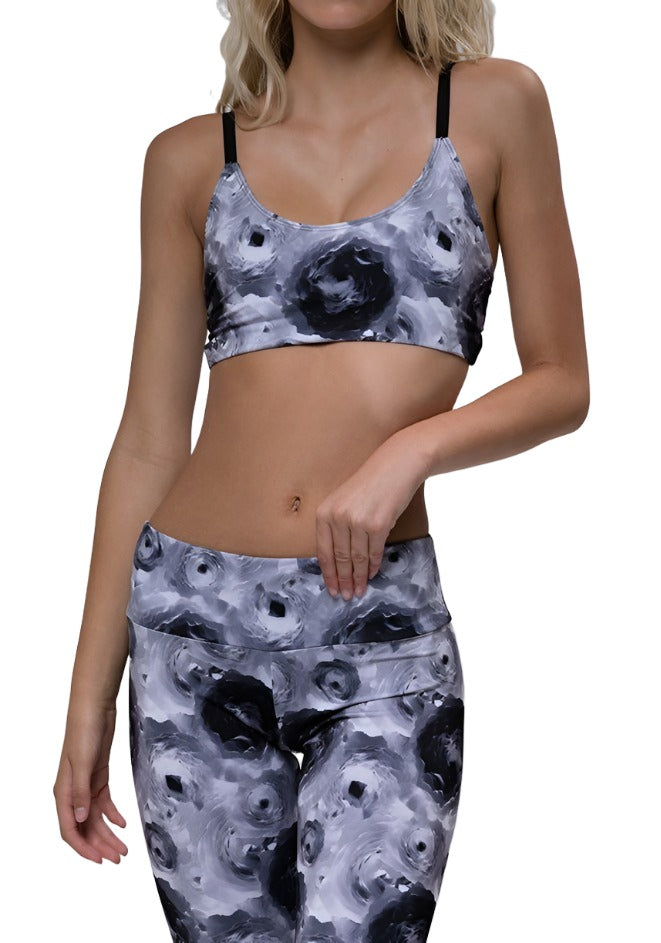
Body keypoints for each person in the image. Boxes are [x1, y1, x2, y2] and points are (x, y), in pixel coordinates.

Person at [53, 1, 589, 940]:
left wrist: (410, 451)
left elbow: (562, 380)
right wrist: (87, 695)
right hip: (190, 628)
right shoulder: (188, 158)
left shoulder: (493, 108)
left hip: (381, 629)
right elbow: (147, 439)